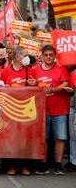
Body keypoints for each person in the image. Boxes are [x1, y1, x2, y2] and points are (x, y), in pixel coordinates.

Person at [33, 45, 70, 175]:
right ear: (42, 56)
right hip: (42, 110)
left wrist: (53, 90)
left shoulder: (61, 68)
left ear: (54, 56)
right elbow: (32, 85)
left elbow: (66, 83)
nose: (48, 57)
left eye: (51, 55)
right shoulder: (35, 70)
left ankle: (58, 164)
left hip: (60, 109)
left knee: (60, 137)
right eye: (46, 54)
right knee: (44, 138)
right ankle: (44, 164)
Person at [0, 46, 35, 176]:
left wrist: (33, 85)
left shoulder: (30, 71)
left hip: (25, 109)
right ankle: (11, 166)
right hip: (10, 110)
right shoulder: (6, 71)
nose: (27, 57)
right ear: (17, 57)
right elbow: (0, 88)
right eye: (24, 55)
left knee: (25, 138)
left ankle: (25, 166)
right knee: (11, 139)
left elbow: (35, 89)